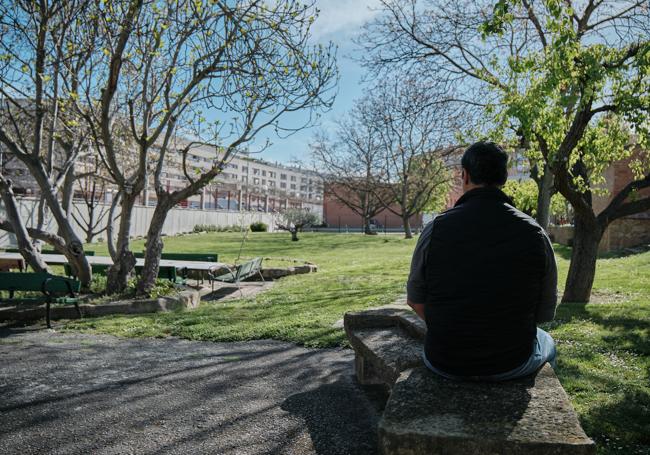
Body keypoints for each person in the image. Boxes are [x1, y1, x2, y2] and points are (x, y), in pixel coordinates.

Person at [407, 141, 557, 381]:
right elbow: (544, 313)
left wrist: (452, 330)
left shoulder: (434, 229)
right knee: (547, 341)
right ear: (504, 178)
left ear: (464, 176)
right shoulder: (535, 233)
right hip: (512, 361)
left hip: (444, 360)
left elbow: (415, 301)